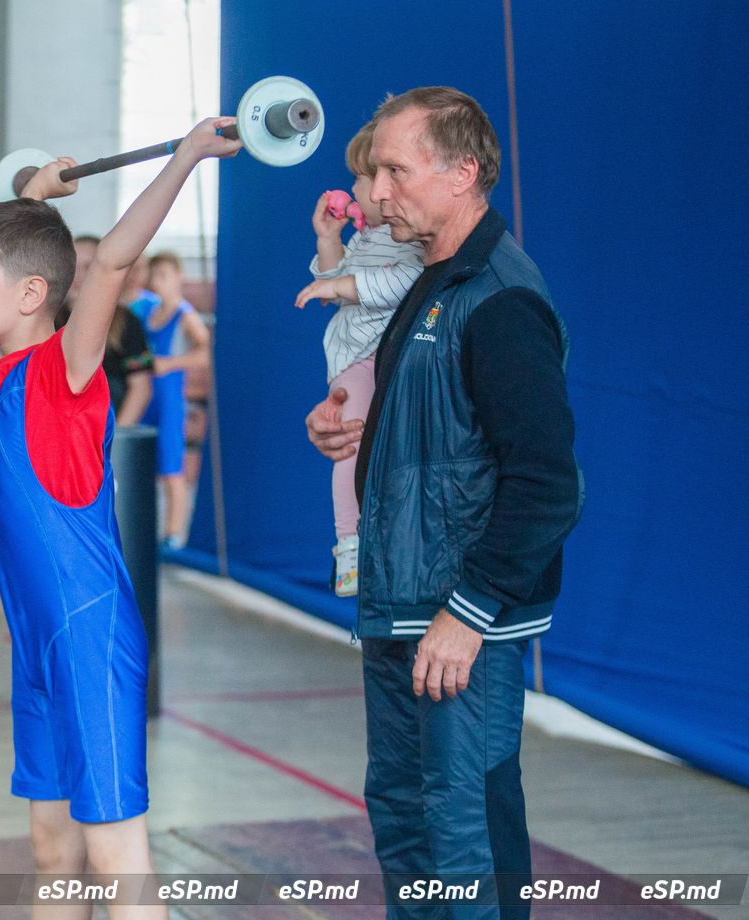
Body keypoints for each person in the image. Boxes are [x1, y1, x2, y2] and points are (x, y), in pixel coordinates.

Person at [0, 117, 241, 920]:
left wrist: (185, 158)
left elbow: (108, 259)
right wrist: (33, 200)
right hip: (35, 652)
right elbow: (15, 256)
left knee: (121, 867)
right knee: (51, 856)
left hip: (87, 640)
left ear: (32, 297)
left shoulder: (65, 373)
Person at [304, 87, 581, 919]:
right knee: (405, 821)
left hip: (458, 627)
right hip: (398, 607)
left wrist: (468, 613)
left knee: (465, 841)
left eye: (396, 169)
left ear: (462, 173)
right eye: (376, 171)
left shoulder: (500, 298)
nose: (376, 190)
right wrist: (344, 426)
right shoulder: (427, 280)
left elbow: (547, 481)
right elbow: (431, 423)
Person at [294, 123, 424, 595]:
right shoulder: (369, 238)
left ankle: (356, 541)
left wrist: (337, 286)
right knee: (349, 447)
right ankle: (349, 544)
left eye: (361, 178)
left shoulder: (409, 242)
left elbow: (396, 284)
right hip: (355, 359)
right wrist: (328, 241)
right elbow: (339, 279)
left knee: (365, 449)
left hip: (375, 356)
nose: (353, 188)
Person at [134, 251, 211, 549]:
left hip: (169, 400)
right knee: (143, 465)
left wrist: (169, 363)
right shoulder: (150, 311)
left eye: (164, 275)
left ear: (178, 276)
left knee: (171, 469)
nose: (158, 282)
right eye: (155, 276)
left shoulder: (185, 314)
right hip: (146, 397)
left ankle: (174, 536)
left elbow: (205, 353)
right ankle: (146, 530)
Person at [56, 235, 153, 424]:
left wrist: (115, 438)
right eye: (71, 265)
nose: (77, 275)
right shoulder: (48, 318)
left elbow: (141, 388)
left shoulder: (126, 321)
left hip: (104, 430)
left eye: (86, 267)